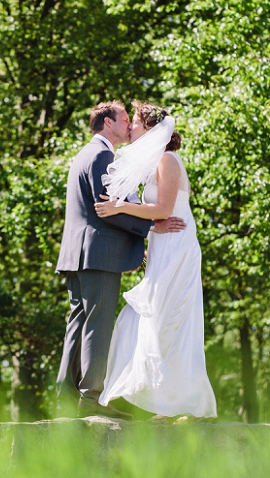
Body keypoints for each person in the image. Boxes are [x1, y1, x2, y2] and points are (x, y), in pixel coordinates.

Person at [55, 101, 186, 419]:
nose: (129, 125)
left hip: (78, 254)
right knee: (97, 326)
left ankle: (65, 396)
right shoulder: (101, 155)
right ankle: (91, 399)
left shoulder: (85, 154)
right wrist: (152, 226)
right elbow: (108, 208)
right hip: (97, 254)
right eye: (124, 119)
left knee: (79, 323)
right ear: (107, 123)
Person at [94, 102, 217, 419]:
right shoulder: (156, 162)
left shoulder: (167, 160)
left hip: (177, 247)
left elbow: (163, 210)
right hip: (162, 246)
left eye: (134, 122)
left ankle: (168, 399)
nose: (130, 127)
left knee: (162, 319)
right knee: (144, 318)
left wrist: (119, 207)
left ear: (149, 127)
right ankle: (138, 392)